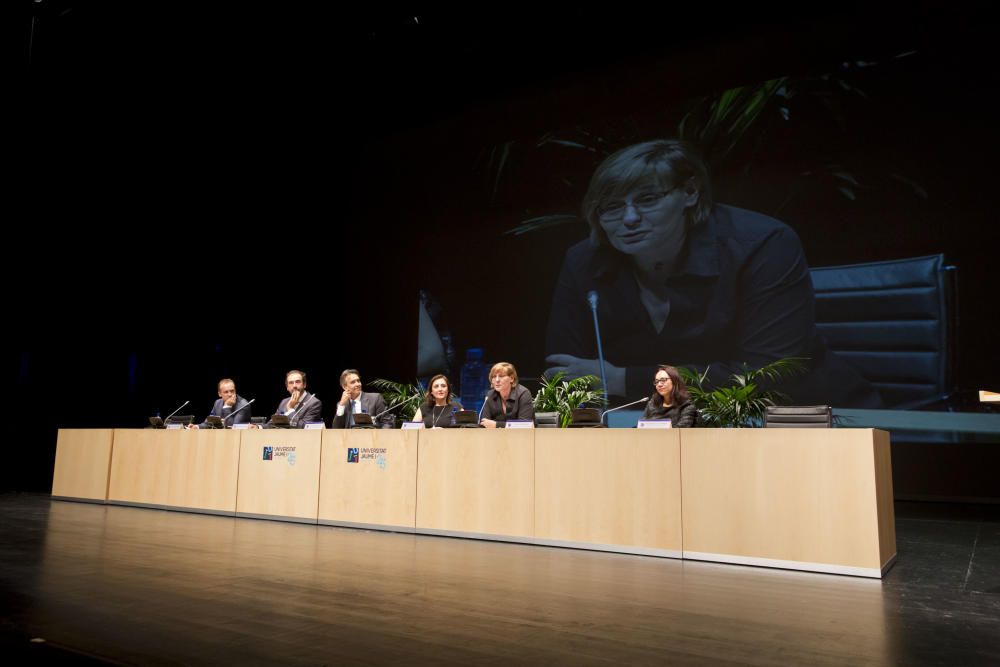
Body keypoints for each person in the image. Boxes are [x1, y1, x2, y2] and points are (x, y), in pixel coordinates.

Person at [544, 139, 881, 408]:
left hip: (802, 421)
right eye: (612, 207)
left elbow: (768, 376)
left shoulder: (760, 244)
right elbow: (568, 374)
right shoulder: (584, 260)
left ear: (690, 193)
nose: (629, 218)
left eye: (647, 199)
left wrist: (622, 380)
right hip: (660, 426)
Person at [480, 362, 535, 428]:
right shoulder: (490, 395)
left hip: (523, 437)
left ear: (511, 378)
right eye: (494, 376)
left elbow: (525, 425)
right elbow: (485, 423)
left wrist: (496, 425)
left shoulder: (523, 394)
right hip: (497, 437)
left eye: (501, 376)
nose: (497, 380)